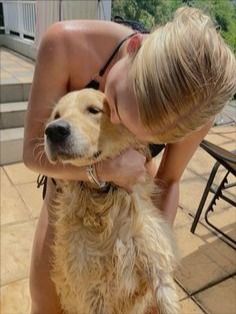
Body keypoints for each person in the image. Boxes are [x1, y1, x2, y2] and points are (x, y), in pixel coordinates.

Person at [23, 6, 236, 314]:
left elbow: (170, 179)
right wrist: (104, 170)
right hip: (70, 193)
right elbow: (32, 154)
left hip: (135, 207)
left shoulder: (196, 108)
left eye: (153, 135)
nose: (126, 130)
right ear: (134, 48)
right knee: (46, 306)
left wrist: (152, 253)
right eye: (119, 107)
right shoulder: (65, 44)